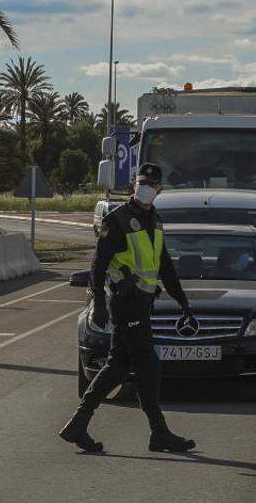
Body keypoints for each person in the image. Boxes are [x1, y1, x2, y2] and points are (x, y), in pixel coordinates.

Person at [59, 163, 198, 453]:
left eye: (151, 184)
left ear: (159, 189)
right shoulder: (117, 220)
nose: (145, 188)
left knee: (118, 366)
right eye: (141, 182)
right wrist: (97, 302)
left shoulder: (155, 220)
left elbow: (164, 265)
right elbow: (98, 266)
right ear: (135, 185)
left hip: (141, 303)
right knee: (147, 365)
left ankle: (78, 424)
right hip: (126, 303)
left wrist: (182, 299)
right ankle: (159, 433)